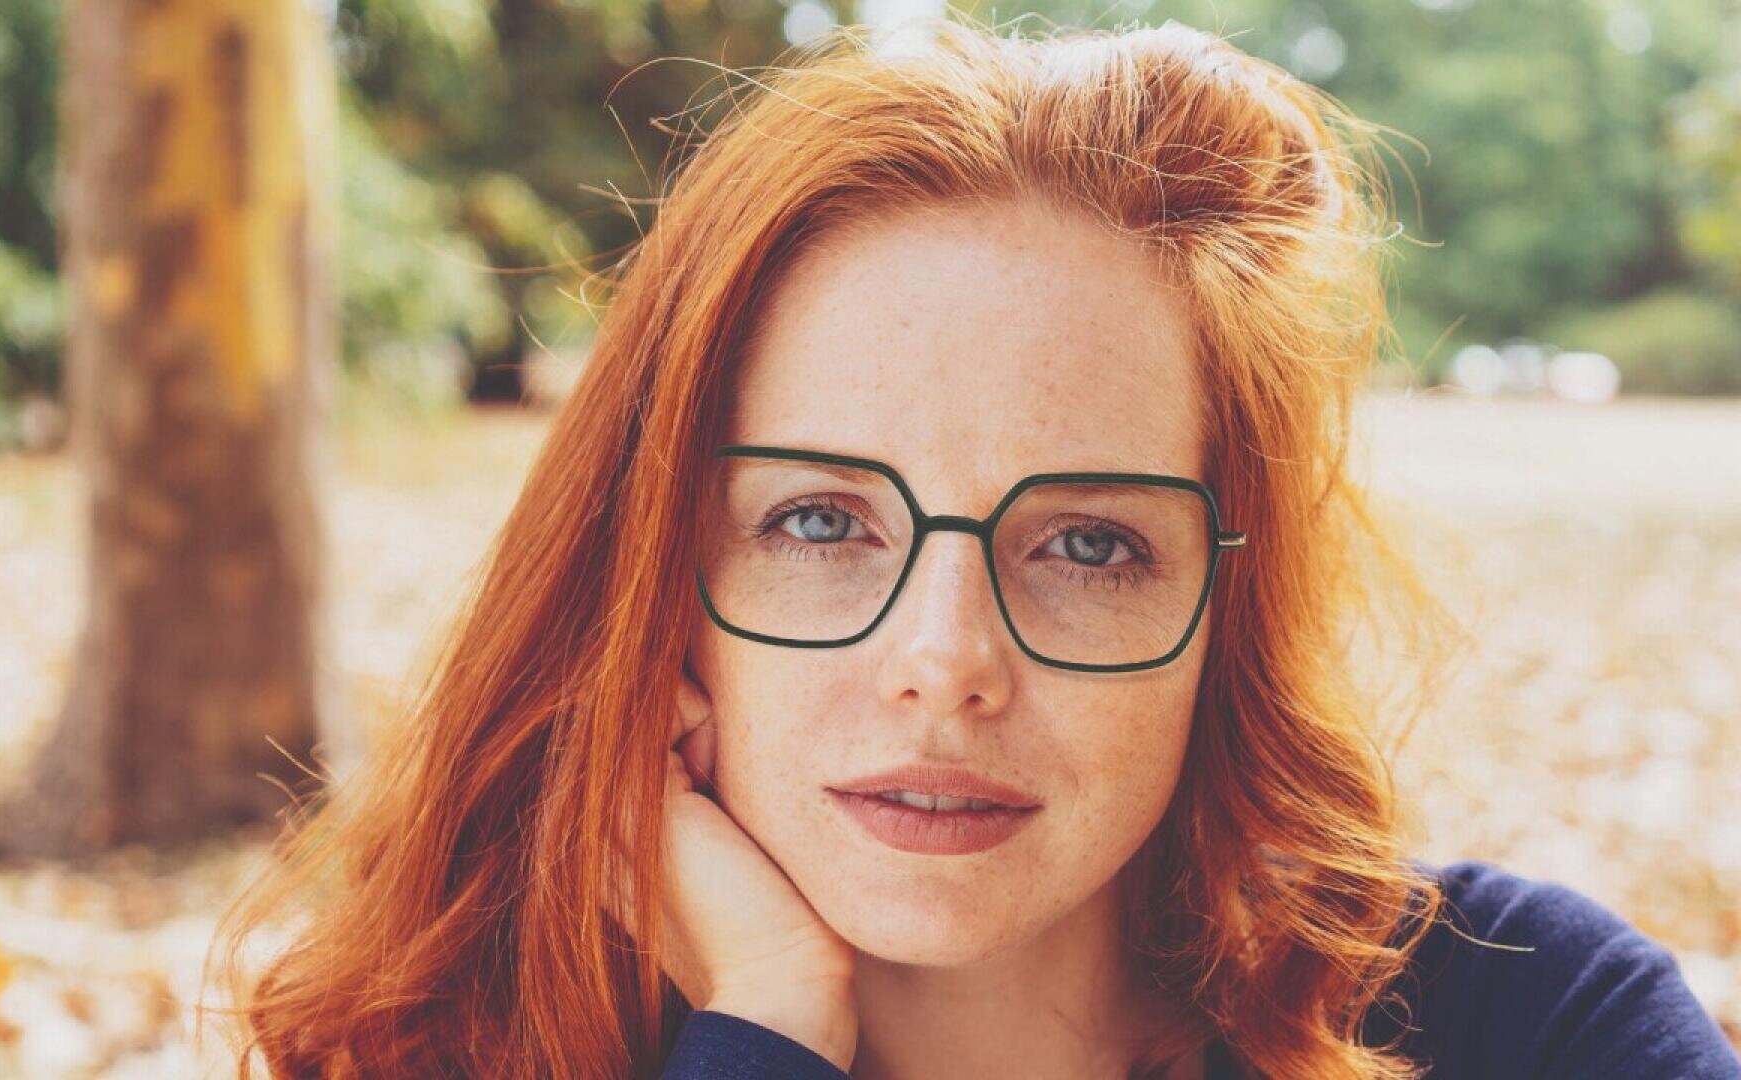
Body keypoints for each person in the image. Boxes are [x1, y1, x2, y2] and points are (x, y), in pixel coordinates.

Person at [202, 17, 1741, 1079]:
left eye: (1086, 542)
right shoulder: (443, 1044)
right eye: (817, 520)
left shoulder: (1526, 1021)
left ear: (1228, 599)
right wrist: (766, 1030)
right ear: (657, 578)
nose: (945, 662)